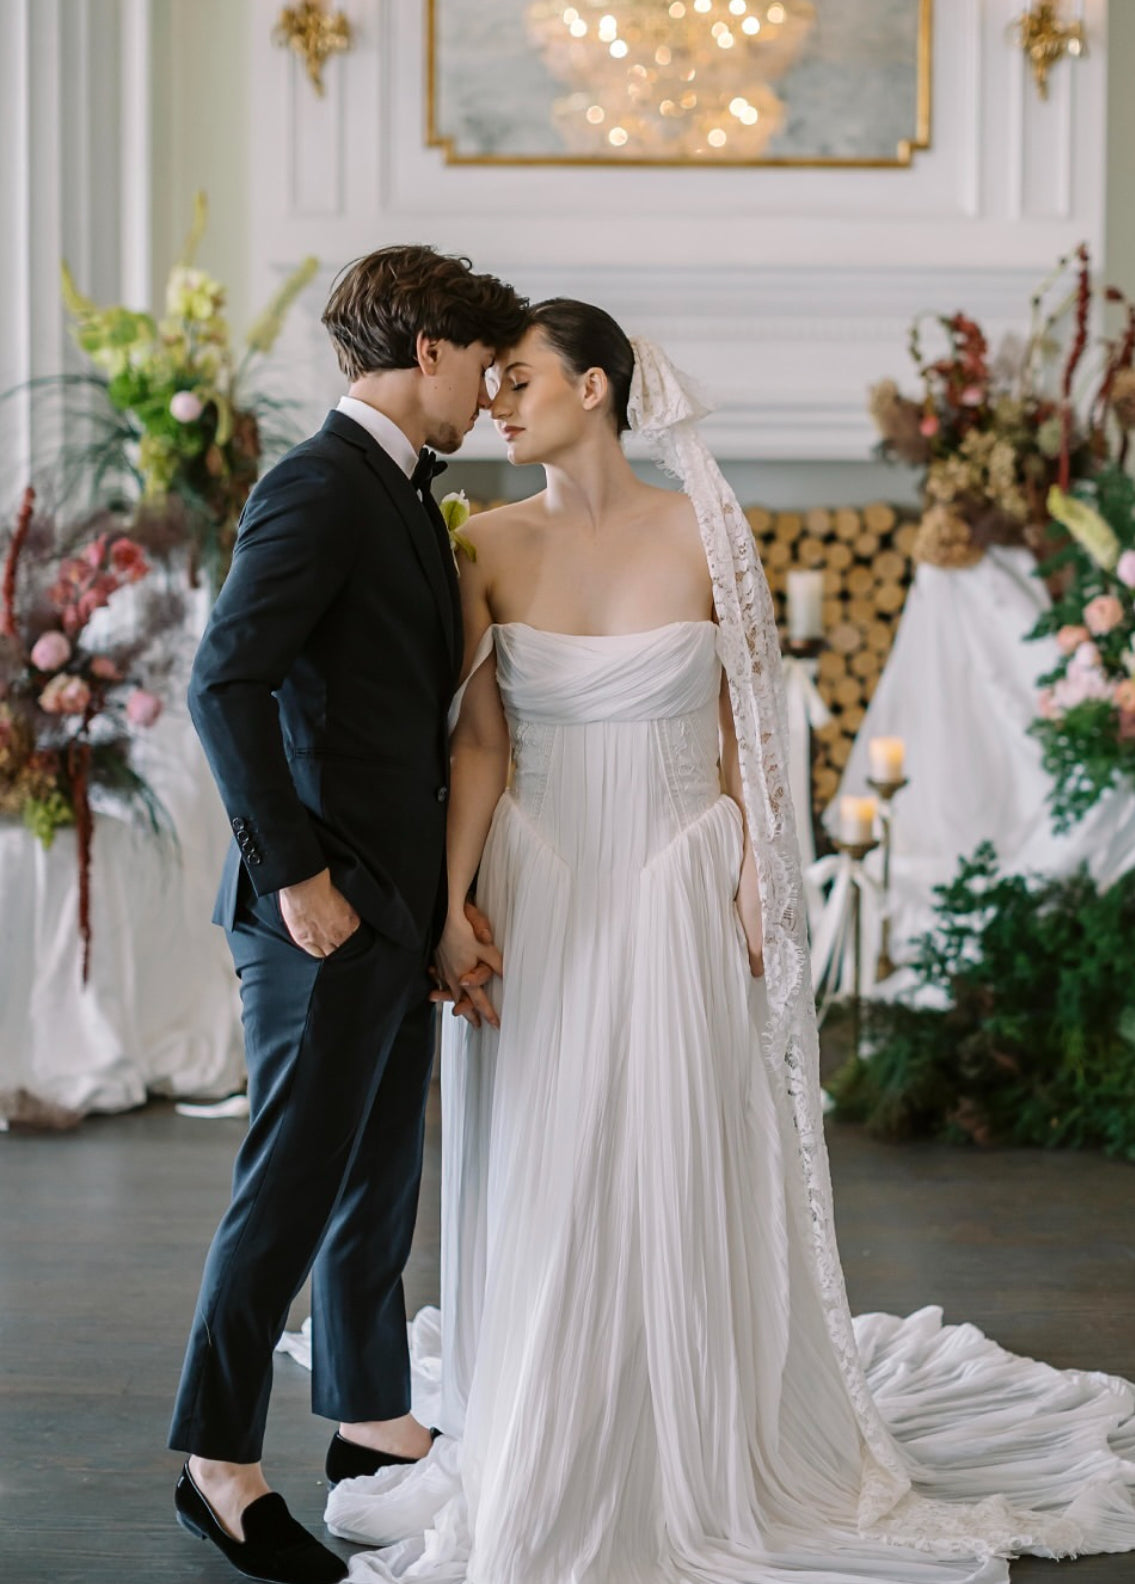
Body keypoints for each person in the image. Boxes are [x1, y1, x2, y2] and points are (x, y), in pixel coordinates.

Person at [321, 301, 1135, 1584]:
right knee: (556, 1145)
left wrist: (763, 870)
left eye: (521, 378)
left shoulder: (705, 532)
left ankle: (691, 1422)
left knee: (675, 1140)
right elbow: (476, 744)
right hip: (543, 877)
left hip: (679, 866)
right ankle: (556, 1418)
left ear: (597, 388)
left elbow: (750, 730)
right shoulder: (480, 542)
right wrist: (452, 904)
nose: (495, 400)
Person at [168, 244, 527, 1584]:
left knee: (376, 1174)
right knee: (289, 1184)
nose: (488, 392)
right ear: (425, 348)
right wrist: (297, 879)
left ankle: (371, 1421)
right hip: (317, 910)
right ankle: (215, 1464)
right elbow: (225, 683)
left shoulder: (399, 493)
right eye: (480, 364)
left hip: (389, 902)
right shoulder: (317, 484)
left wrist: (437, 900)